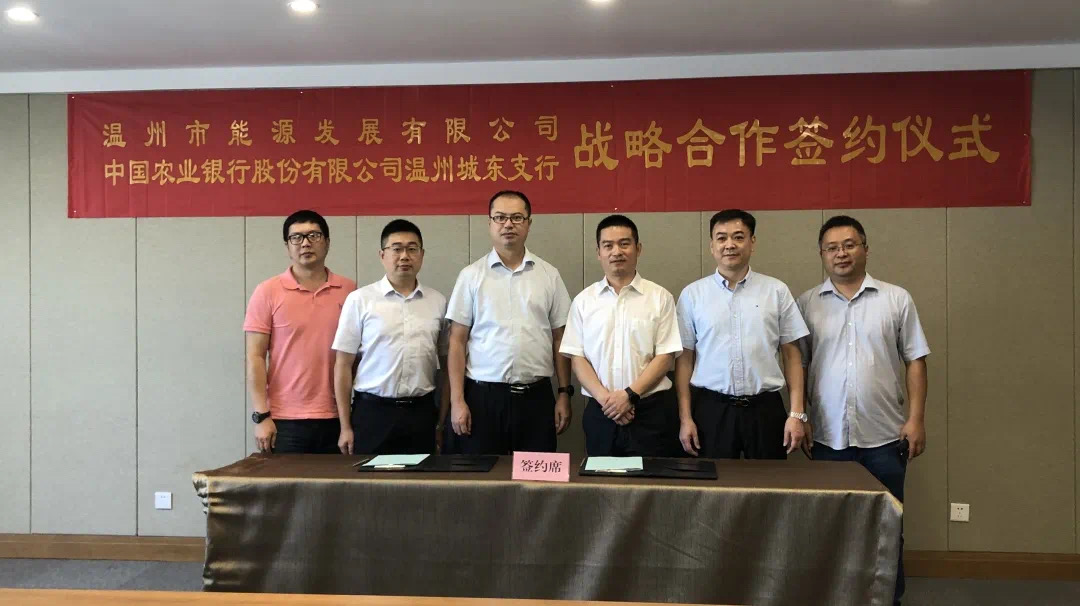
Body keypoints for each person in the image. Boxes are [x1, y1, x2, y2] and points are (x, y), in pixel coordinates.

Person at [798, 214, 930, 606]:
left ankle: (889, 599)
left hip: (885, 438)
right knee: (831, 528)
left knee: (888, 527)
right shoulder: (806, 304)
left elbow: (916, 360)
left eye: (849, 245)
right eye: (832, 248)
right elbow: (797, 366)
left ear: (865, 249)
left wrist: (916, 420)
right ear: (822, 255)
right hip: (828, 439)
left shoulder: (896, 299)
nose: (841, 253)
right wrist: (800, 416)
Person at [443, 190, 573, 454]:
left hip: (536, 399)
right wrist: (457, 401)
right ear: (489, 223)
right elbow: (457, 341)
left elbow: (560, 337)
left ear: (529, 223)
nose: (508, 224)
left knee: (535, 474)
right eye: (500, 217)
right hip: (482, 399)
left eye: (516, 217)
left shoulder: (549, 275)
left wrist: (563, 393)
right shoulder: (470, 276)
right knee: (482, 475)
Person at [675, 209, 809, 459]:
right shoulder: (692, 295)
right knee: (715, 482)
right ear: (712, 245)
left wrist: (796, 414)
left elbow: (792, 356)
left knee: (769, 481)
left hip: (765, 409)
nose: (730, 245)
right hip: (712, 410)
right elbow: (684, 359)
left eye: (738, 237)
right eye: (721, 238)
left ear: (752, 242)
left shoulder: (776, 291)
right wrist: (685, 418)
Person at [560, 215, 683, 456]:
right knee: (601, 477)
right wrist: (608, 401)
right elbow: (577, 358)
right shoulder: (584, 301)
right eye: (608, 245)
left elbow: (666, 356)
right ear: (598, 252)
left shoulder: (660, 298)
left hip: (650, 413)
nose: (616, 251)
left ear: (638, 249)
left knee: (650, 477)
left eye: (624, 244)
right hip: (601, 412)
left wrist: (629, 395)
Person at [244, 210, 356, 454]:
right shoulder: (267, 291)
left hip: (339, 417)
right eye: (296, 237)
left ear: (327, 242)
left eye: (314, 235)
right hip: (284, 420)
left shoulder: (350, 291)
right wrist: (261, 415)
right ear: (287, 246)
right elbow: (255, 356)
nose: (305, 243)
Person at [332, 219, 448, 455]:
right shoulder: (360, 300)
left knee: (422, 478)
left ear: (422, 255)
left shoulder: (438, 301)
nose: (404, 256)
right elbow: (342, 365)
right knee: (369, 478)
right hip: (373, 413)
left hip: (421, 413)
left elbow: (447, 366)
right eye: (396, 249)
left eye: (412, 249)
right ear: (382, 255)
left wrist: (442, 421)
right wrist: (345, 426)